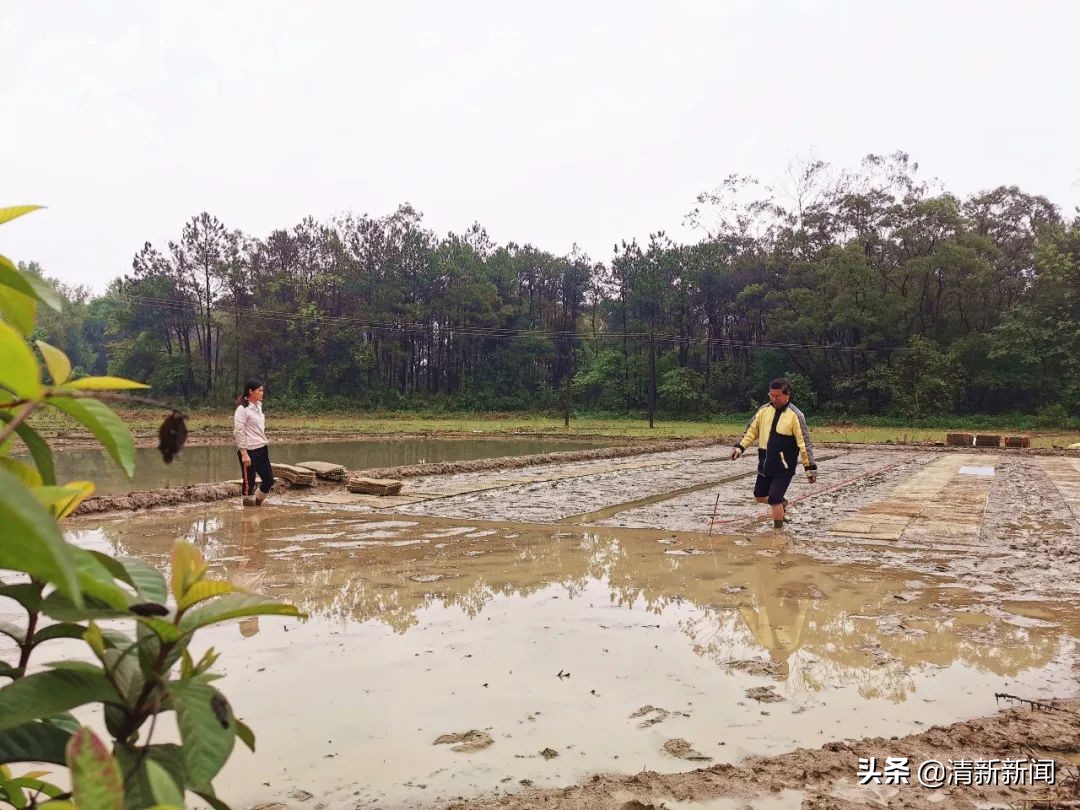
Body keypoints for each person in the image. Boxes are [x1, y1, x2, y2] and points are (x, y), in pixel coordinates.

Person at [731, 378, 817, 529]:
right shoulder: (763, 411)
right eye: (771, 395)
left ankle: (778, 531)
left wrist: (809, 467)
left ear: (787, 395)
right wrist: (740, 447)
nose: (773, 399)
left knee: (774, 499)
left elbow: (804, 443)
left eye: (777, 396)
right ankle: (783, 503)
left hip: (784, 466)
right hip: (765, 462)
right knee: (759, 496)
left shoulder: (796, 415)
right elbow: (751, 432)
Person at [234, 378, 274, 507]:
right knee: (248, 485)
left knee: (268, 480)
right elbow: (238, 431)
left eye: (262, 390)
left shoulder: (258, 406)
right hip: (249, 450)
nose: (262, 393)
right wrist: (244, 453)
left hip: (262, 448)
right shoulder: (242, 409)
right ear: (251, 392)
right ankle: (248, 516)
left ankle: (256, 507)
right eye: (260, 390)